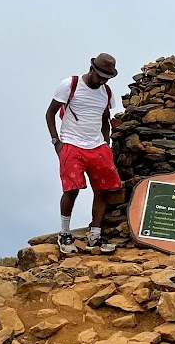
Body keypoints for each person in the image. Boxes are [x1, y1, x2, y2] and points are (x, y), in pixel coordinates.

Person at [46, 53, 122, 255]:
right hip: (71, 143)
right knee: (72, 189)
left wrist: (106, 143)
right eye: (100, 76)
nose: (102, 81)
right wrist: (57, 142)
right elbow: (50, 113)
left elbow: (105, 118)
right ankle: (64, 233)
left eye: (107, 78)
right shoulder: (69, 85)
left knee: (103, 189)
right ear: (91, 70)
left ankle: (95, 236)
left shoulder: (106, 92)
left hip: (96, 145)